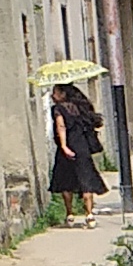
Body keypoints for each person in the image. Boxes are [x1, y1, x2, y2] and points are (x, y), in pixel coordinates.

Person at [48, 81, 108, 224]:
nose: (52, 95)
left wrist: (63, 146)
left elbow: (61, 126)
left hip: (67, 148)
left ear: (62, 94)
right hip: (82, 148)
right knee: (86, 179)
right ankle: (89, 214)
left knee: (65, 181)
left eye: (55, 92)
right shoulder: (82, 107)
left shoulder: (58, 109)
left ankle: (70, 214)